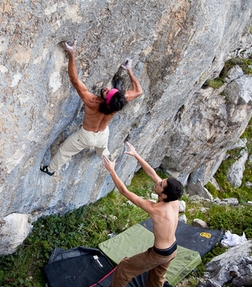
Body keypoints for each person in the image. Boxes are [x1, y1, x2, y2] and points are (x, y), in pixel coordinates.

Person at [40, 41, 143, 176]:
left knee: (65, 151)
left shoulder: (92, 102)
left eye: (107, 93)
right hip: (102, 135)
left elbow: (75, 80)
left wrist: (71, 54)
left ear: (106, 101)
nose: (106, 89)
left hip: (85, 137)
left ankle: (51, 170)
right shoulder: (118, 103)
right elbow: (138, 91)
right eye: (110, 90)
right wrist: (129, 70)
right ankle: (106, 158)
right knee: (103, 149)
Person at [102, 142, 184, 287]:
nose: (158, 182)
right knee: (156, 279)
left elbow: (125, 192)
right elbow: (152, 173)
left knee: (124, 268)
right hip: (172, 250)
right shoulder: (174, 200)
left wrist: (111, 170)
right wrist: (136, 155)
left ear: (164, 195)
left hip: (159, 253)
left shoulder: (156, 209)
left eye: (161, 184)